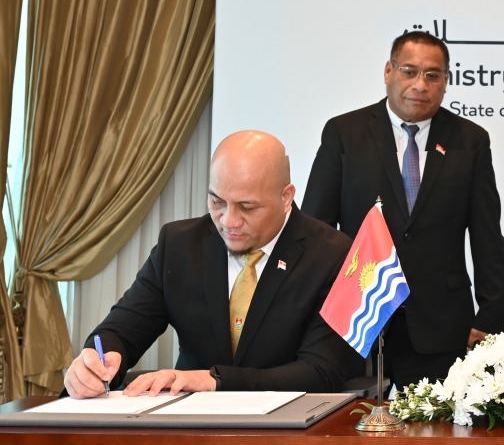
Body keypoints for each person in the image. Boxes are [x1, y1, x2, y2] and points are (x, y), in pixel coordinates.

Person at [64, 130, 361, 398]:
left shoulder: (334, 254)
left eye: (247, 206)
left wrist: (214, 380)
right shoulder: (179, 244)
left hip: (292, 435)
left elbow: (322, 370)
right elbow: (123, 329)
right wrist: (99, 357)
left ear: (286, 197)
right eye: (217, 202)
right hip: (189, 432)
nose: (229, 221)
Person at [303, 31, 504, 388]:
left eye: (433, 75)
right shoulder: (344, 133)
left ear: (446, 82)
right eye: (409, 71)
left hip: (441, 323)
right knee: (352, 435)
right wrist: (312, 312)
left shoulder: (470, 141)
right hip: (357, 318)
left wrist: (491, 314)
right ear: (388, 71)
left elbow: (487, 235)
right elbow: (316, 229)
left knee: (437, 438)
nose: (420, 84)